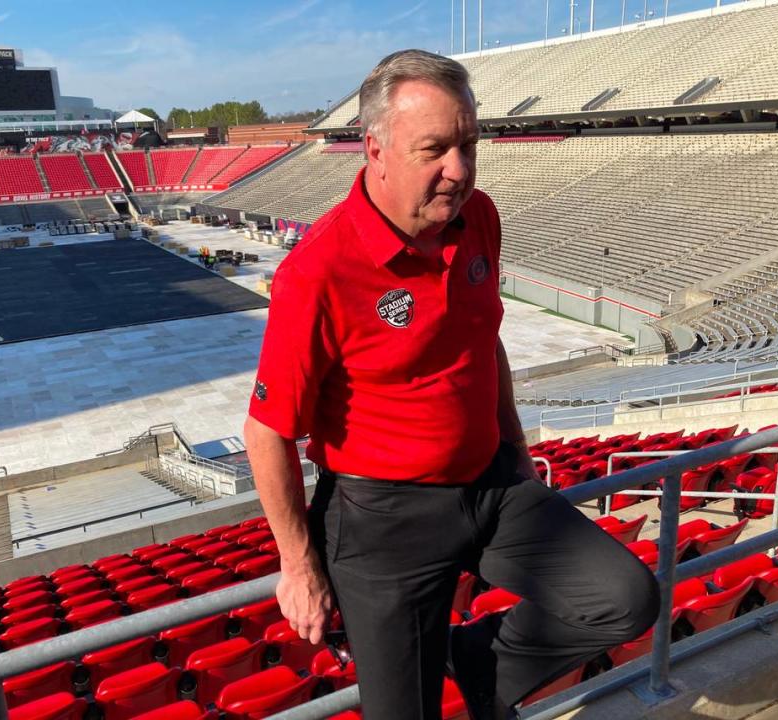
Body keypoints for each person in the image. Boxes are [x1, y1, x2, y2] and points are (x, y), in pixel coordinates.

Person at [243, 49, 659, 720]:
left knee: (625, 597)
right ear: (374, 149)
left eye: (469, 144)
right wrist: (298, 567)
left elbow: (481, 341)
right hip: (385, 522)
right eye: (434, 150)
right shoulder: (317, 271)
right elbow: (266, 432)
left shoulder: (480, 219)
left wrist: (517, 451)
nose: (459, 171)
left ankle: (481, 658)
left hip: (490, 486)